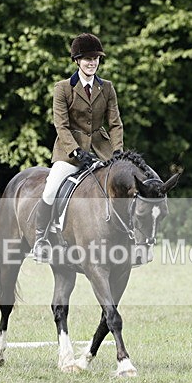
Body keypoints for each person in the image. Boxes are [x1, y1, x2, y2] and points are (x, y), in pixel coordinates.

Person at [33, 32, 124, 262]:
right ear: (77, 61)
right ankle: (40, 239)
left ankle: (128, 239)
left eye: (96, 58)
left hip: (101, 150)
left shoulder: (108, 88)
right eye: (87, 59)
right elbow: (61, 125)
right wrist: (75, 151)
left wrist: (118, 152)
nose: (92, 62)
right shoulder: (63, 88)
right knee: (51, 188)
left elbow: (115, 124)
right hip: (69, 152)